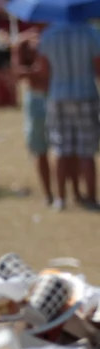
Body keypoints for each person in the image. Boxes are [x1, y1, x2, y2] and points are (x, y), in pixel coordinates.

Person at [36, 19, 100, 210]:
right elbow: (98, 66)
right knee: (86, 150)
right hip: (86, 94)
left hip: (58, 96)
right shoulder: (91, 33)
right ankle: (90, 198)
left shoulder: (49, 35)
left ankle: (60, 198)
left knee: (61, 148)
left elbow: (44, 70)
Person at [12, 27, 53, 207]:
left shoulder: (52, 38)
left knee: (63, 151)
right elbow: (17, 73)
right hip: (39, 98)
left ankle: (60, 194)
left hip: (52, 97)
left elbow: (43, 72)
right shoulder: (26, 42)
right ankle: (50, 194)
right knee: (41, 149)